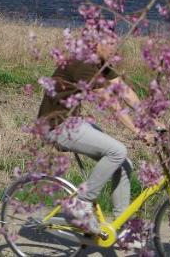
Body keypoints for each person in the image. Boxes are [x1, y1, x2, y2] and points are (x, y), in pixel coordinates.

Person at [36, 40, 147, 235]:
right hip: (56, 126)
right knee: (117, 151)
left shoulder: (100, 64)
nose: (115, 49)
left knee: (124, 163)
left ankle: (121, 226)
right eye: (111, 44)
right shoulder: (83, 63)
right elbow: (111, 101)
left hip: (73, 122)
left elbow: (126, 93)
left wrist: (154, 122)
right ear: (96, 43)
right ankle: (82, 203)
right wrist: (138, 131)